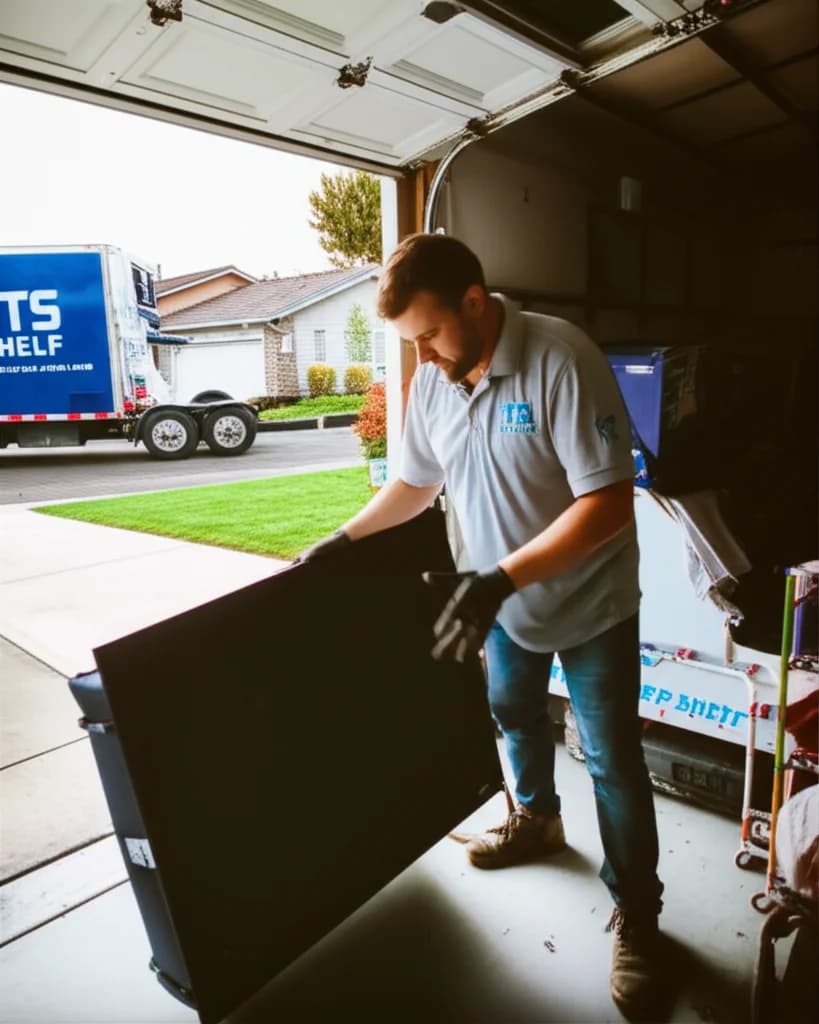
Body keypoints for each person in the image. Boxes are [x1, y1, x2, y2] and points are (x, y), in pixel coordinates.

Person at [301, 233, 665, 1020]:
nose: (422, 356)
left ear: (474, 300)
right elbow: (413, 482)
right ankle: (534, 819)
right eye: (409, 343)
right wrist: (345, 537)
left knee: (610, 757)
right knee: (510, 715)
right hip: (494, 601)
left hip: (587, 601)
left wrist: (498, 579)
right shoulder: (432, 382)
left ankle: (639, 909)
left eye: (428, 334)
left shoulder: (562, 359)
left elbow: (606, 503)